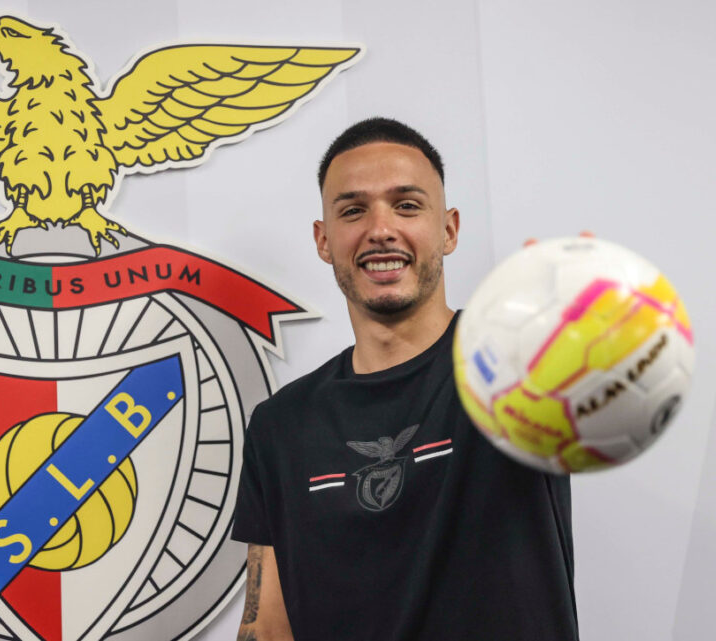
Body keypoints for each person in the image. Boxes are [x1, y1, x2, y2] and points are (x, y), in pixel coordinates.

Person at [231, 118, 579, 641]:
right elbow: (267, 626)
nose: (380, 229)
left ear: (449, 229)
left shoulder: (519, 363)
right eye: (353, 210)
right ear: (324, 241)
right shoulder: (281, 425)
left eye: (407, 205)